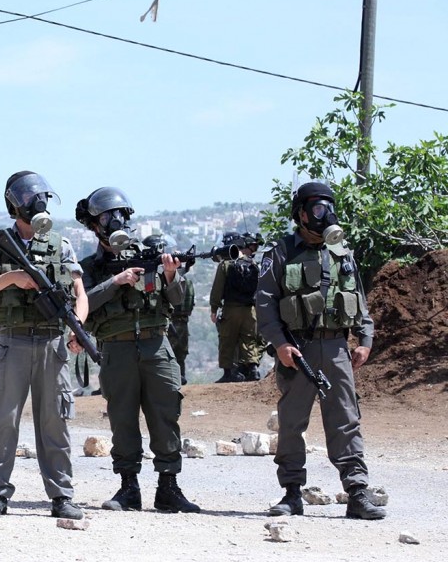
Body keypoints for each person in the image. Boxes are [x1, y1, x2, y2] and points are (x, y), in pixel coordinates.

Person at [256, 180, 386, 520]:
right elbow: (265, 307)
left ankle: (357, 492)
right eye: (316, 208)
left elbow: (360, 301)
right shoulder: (281, 253)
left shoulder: (342, 253)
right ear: (300, 213)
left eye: (328, 207)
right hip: (297, 350)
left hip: (336, 348)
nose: (323, 214)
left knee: (346, 420)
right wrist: (281, 344)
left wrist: (365, 340)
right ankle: (292, 493)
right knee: (291, 423)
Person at [0, 170, 88, 520]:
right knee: (3, 421)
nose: (38, 204)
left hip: (52, 343)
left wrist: (77, 329)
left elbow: (80, 295)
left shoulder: (60, 245)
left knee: (55, 421)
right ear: (14, 205)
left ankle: (62, 496)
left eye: (41, 198)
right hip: (13, 344)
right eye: (29, 199)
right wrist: (11, 279)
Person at [72, 188, 200, 514]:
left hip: (157, 345)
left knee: (166, 415)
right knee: (123, 419)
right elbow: (81, 304)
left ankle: (168, 487)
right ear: (94, 225)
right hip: (116, 349)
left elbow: (178, 302)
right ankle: (129, 488)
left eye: (119, 215)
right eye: (105, 217)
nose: (114, 222)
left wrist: (171, 275)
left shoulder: (153, 256)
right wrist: (117, 281)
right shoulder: (90, 268)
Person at [210, 231, 263, 382]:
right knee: (249, 340)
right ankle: (253, 371)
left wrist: (214, 308)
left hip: (231, 308)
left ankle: (229, 373)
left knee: (227, 340)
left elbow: (217, 289)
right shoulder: (254, 264)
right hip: (250, 310)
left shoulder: (225, 264)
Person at [145, 234, 194, 386]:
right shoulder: (150, 273)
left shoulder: (174, 274)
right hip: (166, 319)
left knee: (178, 349)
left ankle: (179, 375)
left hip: (175, 318)